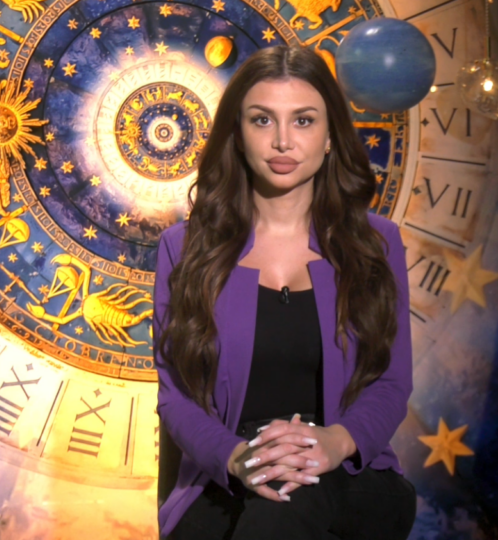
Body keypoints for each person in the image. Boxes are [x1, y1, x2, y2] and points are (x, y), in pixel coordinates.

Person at [154, 45, 416, 539]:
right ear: (237, 134)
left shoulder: (376, 243)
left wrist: (334, 443)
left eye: (303, 121)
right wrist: (239, 457)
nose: (282, 141)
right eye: (262, 120)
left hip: (348, 471)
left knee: (291, 497)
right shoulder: (183, 248)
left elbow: (391, 382)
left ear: (331, 135)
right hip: (228, 469)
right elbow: (176, 399)